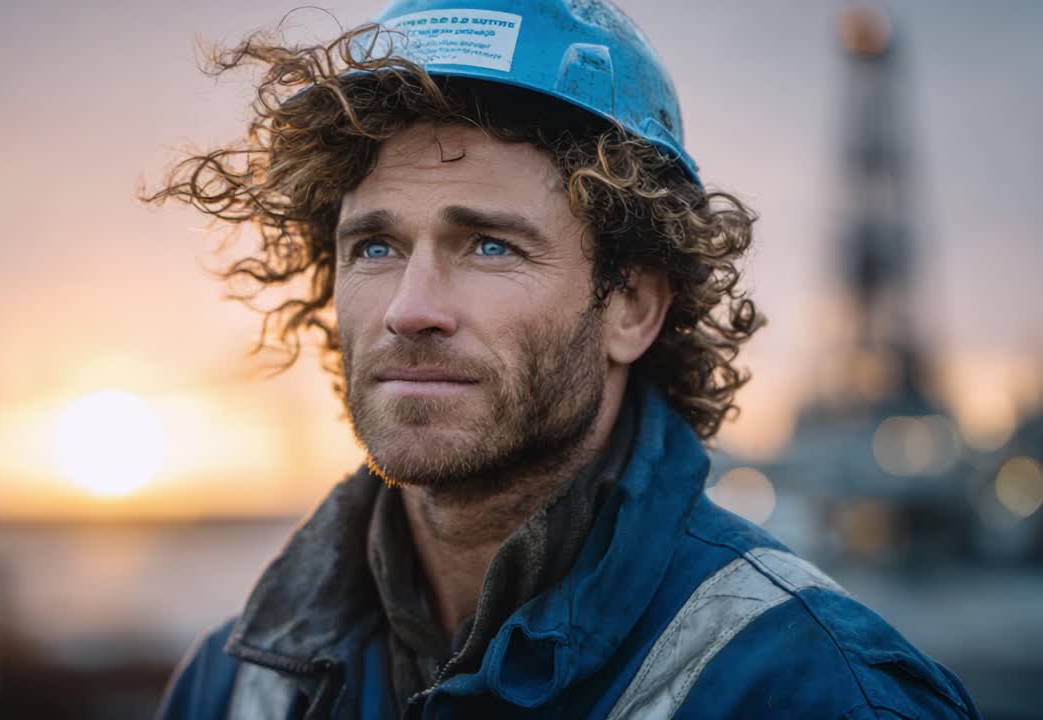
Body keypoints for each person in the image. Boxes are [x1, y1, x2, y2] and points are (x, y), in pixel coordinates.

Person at [149, 1, 980, 717]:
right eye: (374, 247)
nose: (410, 308)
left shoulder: (823, 695)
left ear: (633, 306)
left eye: (488, 245)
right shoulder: (232, 687)